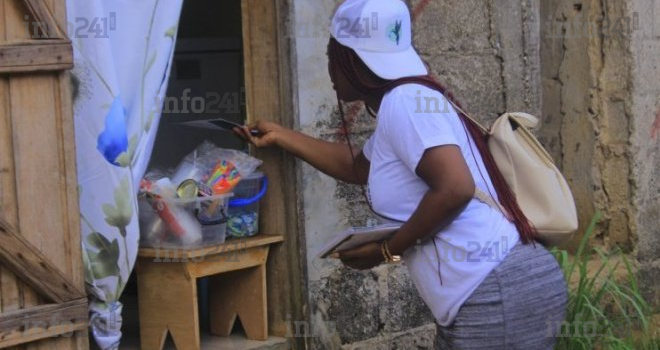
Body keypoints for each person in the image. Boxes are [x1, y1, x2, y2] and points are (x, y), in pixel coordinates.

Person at [234, 0, 568, 348]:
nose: (329, 68)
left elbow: (455, 188)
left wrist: (386, 251)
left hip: (494, 290)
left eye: (331, 55)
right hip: (495, 288)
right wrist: (282, 136)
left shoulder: (404, 103)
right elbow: (357, 166)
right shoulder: (409, 100)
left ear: (352, 60)